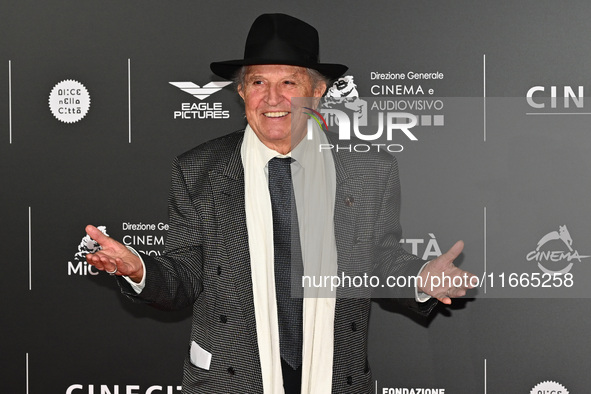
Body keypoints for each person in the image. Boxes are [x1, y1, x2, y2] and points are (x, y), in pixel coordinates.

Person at [85, 13, 475, 394]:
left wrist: (420, 277)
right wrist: (140, 271)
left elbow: (379, 260)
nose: (273, 98)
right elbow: (186, 273)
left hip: (334, 378)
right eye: (258, 82)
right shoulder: (199, 170)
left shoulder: (369, 170)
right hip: (228, 380)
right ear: (241, 91)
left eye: (289, 81)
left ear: (318, 89)